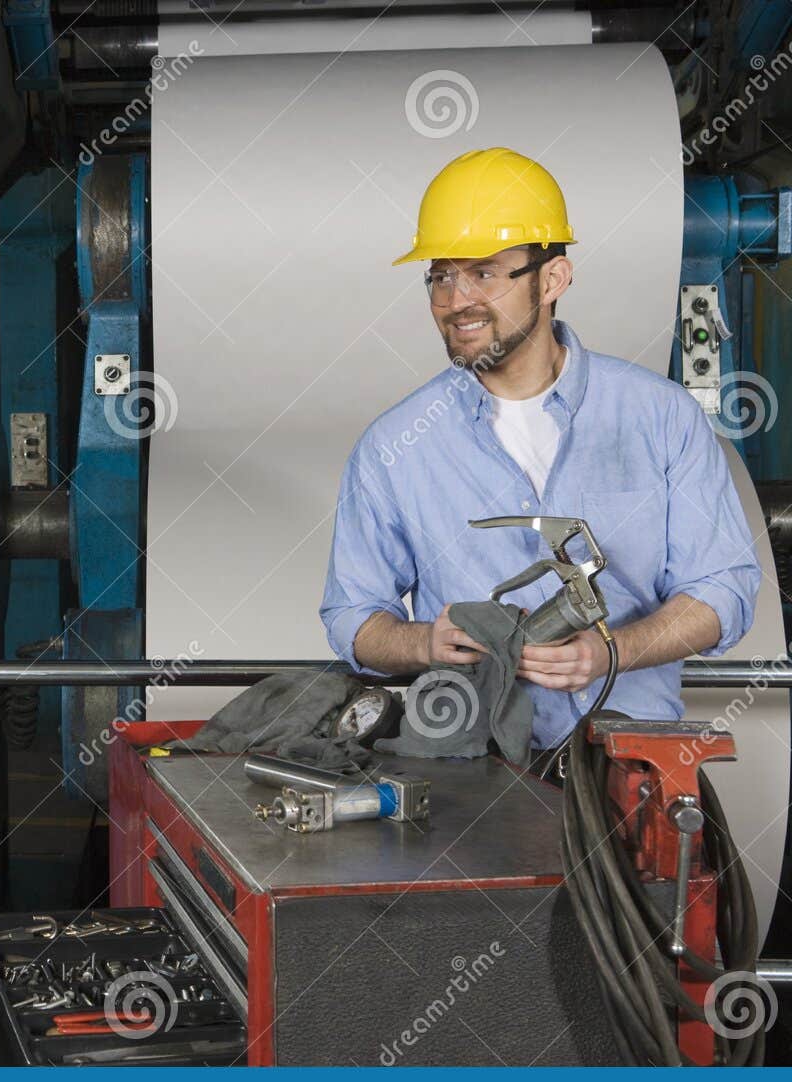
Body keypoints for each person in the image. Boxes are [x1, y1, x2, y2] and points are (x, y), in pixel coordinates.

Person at [319, 147, 761, 768]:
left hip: (630, 765)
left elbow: (724, 591)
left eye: (485, 273)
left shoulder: (660, 418)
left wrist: (611, 650)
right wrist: (424, 641)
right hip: (470, 773)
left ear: (551, 279)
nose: (457, 299)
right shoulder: (395, 448)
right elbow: (353, 617)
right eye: (441, 276)